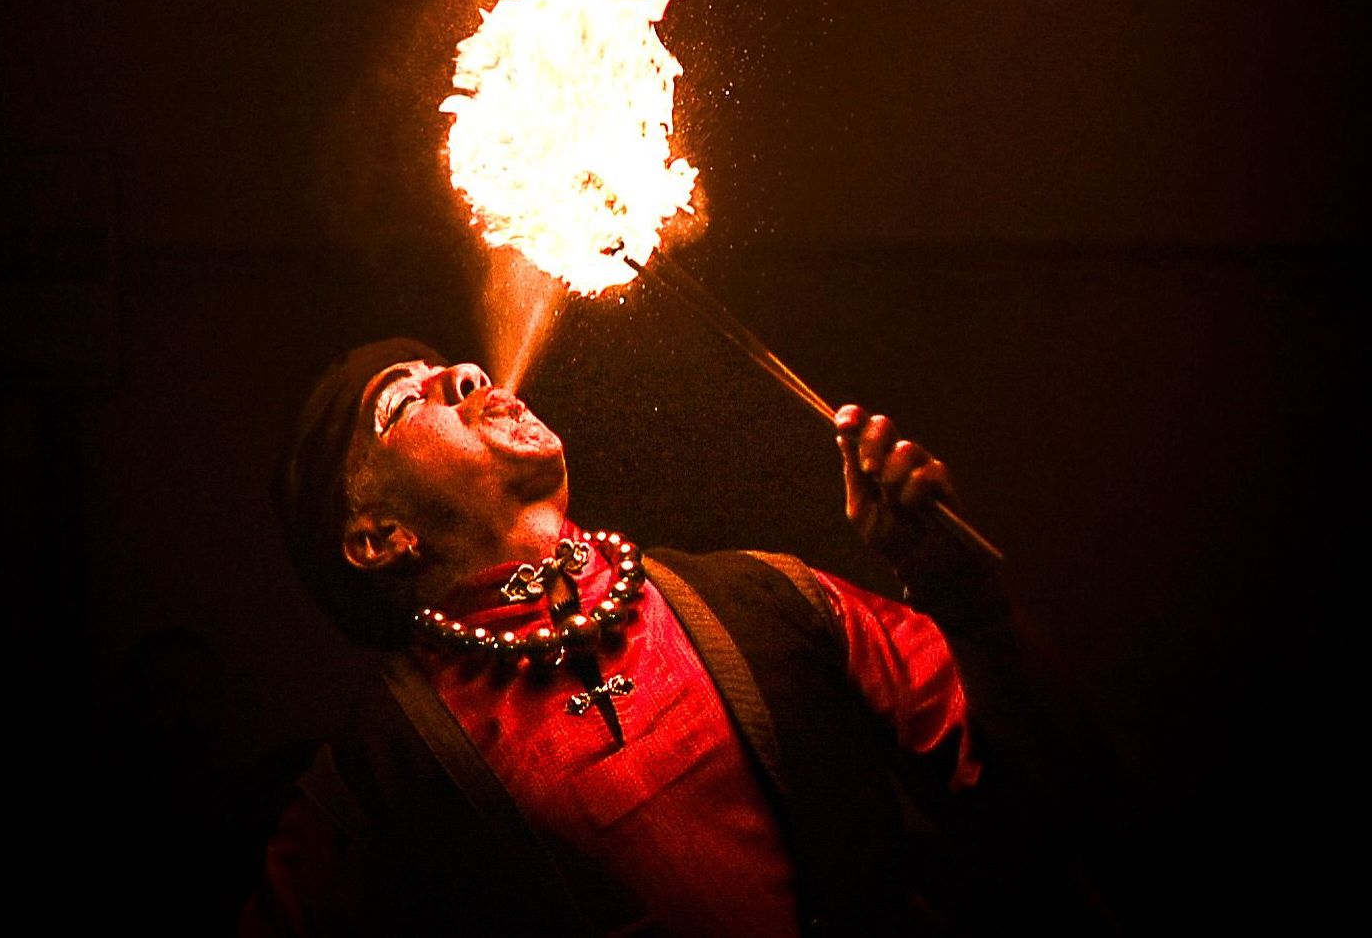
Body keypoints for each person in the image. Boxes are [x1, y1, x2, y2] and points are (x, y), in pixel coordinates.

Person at [240, 337, 1118, 936]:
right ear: (377, 537)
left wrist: (958, 592)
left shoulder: (768, 595)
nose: (466, 375)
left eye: (450, 366)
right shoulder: (373, 781)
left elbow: (1048, 796)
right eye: (403, 399)